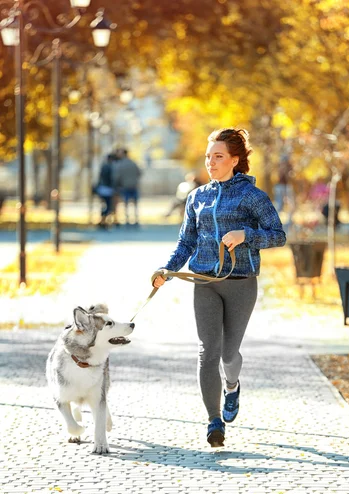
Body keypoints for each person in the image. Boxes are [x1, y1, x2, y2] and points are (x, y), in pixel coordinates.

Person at [153, 128, 286, 447]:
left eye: (218, 156)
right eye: (208, 156)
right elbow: (186, 241)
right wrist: (167, 270)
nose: (210, 162)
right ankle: (214, 422)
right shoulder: (197, 197)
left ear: (235, 160)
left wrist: (246, 236)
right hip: (205, 283)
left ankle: (233, 384)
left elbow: (278, 235)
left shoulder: (252, 196)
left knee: (229, 353)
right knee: (207, 352)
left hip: (241, 283)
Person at [114, 148, 142, 226]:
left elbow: (117, 176)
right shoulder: (133, 163)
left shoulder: (120, 164)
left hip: (125, 186)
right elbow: (139, 173)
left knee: (126, 204)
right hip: (134, 185)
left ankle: (127, 220)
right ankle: (136, 220)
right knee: (135, 204)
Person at [95, 154, 115, 229]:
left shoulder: (103, 166)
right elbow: (112, 179)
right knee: (108, 206)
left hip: (102, 188)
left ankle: (102, 220)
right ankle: (104, 220)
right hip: (108, 189)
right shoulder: (111, 168)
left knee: (104, 205)